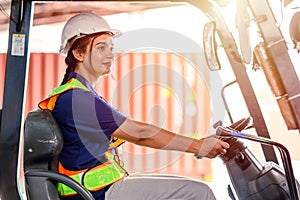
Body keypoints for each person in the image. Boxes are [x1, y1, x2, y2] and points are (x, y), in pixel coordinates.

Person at [38, 11, 230, 200]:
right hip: (96, 194)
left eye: (111, 48)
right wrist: (198, 146)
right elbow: (141, 134)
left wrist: (200, 143)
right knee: (199, 192)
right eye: (101, 48)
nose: (110, 54)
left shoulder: (76, 94)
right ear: (78, 53)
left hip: (95, 191)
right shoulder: (78, 99)